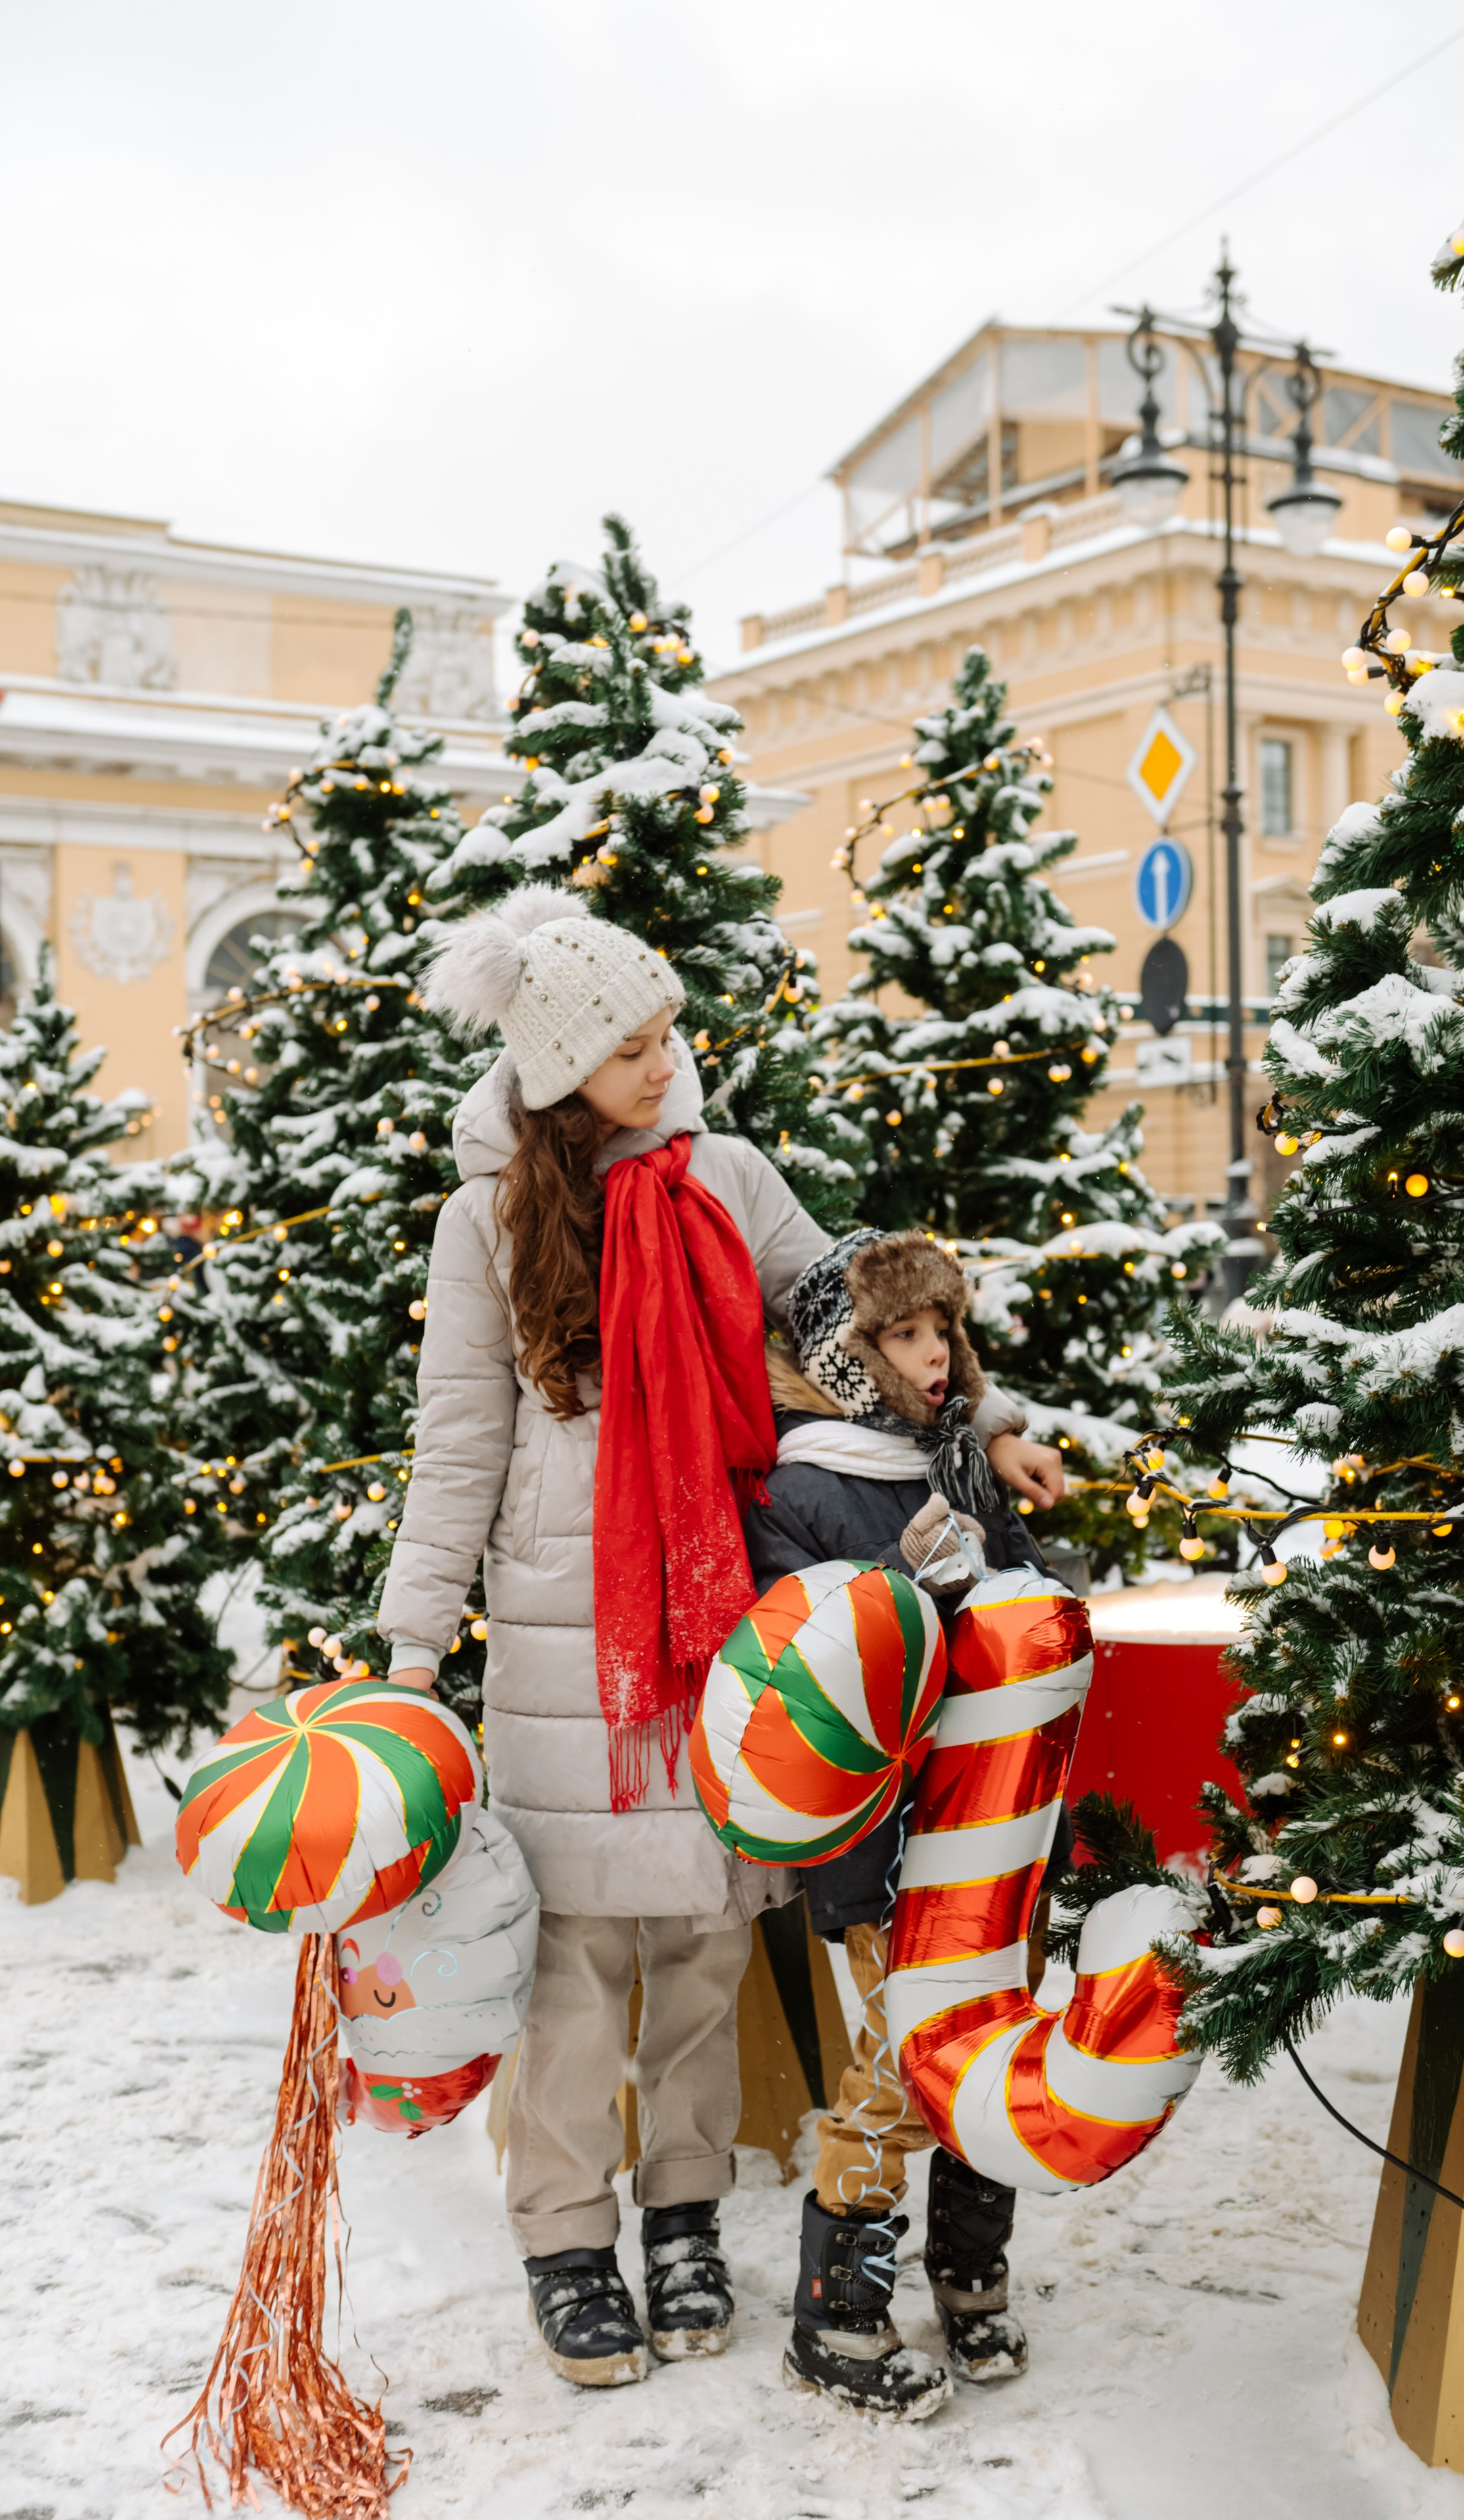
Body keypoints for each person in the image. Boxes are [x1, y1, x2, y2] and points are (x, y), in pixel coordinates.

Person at [376, 889, 1057, 2396]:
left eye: (663, 1029)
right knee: (570, 1955)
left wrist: (989, 1420)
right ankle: (565, 2237)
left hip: (716, 1605)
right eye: (631, 1043)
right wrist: (414, 1641)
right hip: (564, 1624)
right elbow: (455, 1439)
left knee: (695, 1937)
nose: (665, 1056)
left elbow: (854, 1319)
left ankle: (682, 2218)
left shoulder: (726, 1177)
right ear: (558, 1067)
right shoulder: (484, 1222)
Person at [739, 1229, 1067, 2417]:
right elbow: (803, 1666)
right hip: (885, 1850)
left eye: (944, 1332)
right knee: (890, 2072)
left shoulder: (961, 1460)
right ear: (846, 1349)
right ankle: (838, 2315)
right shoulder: (801, 1489)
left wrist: (1014, 1585)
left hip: (996, 1826)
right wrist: (914, 1605)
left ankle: (971, 2274)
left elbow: (1030, 1607)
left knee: (993, 2045)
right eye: (906, 1336)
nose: (936, 1359)